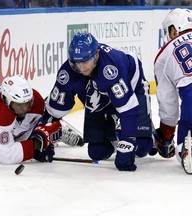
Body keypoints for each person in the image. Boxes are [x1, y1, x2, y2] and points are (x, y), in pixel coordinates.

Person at [44, 32, 153, 171]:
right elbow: (53, 110)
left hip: (131, 84)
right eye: (77, 62)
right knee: (97, 152)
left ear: (97, 54)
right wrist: (43, 138)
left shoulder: (110, 69)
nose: (81, 67)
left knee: (142, 147)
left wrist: (126, 147)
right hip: (100, 97)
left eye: (85, 61)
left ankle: (151, 135)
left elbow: (128, 110)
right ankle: (115, 131)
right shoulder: (68, 72)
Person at [153, 8, 192, 174]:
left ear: (174, 29)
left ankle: (186, 150)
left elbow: (168, 102)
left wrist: (166, 135)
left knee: (180, 149)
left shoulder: (164, 55)